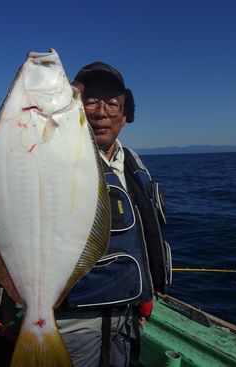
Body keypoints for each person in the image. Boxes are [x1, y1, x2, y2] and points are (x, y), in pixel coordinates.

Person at [55, 62, 170, 367]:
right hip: (72, 320)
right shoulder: (54, 157)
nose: (101, 111)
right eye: (90, 100)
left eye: (112, 102)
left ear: (125, 114)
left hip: (128, 318)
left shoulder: (132, 162)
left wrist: (145, 293)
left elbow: (141, 237)